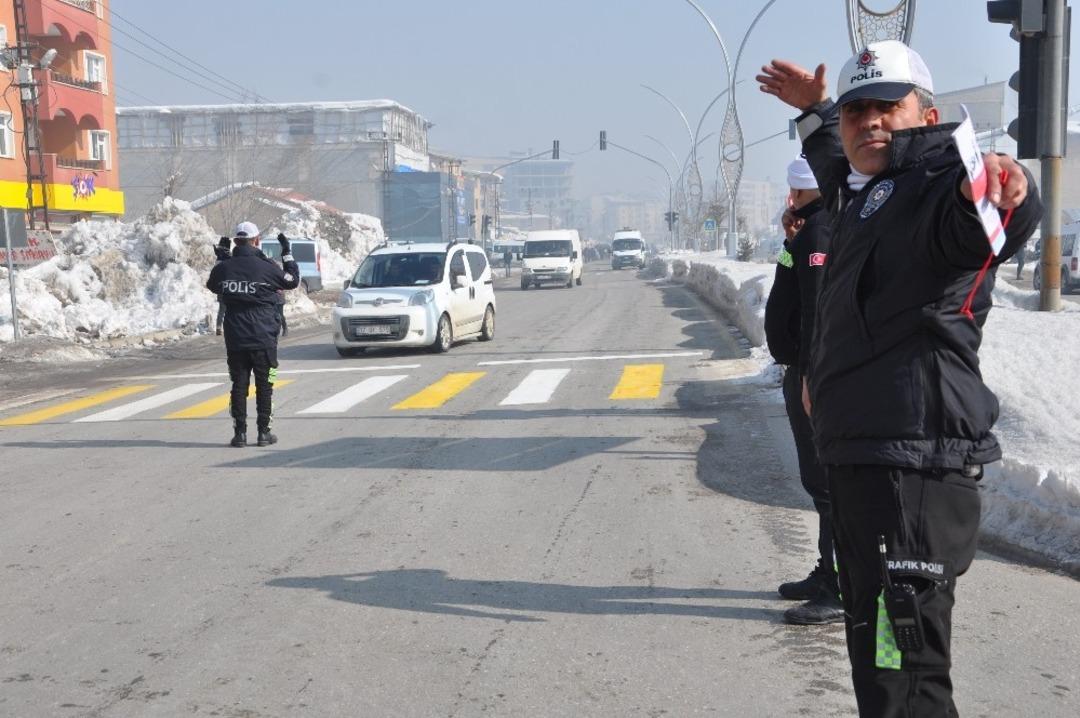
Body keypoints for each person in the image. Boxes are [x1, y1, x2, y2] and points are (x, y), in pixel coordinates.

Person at [758, 40, 1042, 716]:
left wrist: (1010, 188)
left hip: (911, 476)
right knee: (878, 659)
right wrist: (818, 110)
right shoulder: (863, 193)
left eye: (888, 106)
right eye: (858, 110)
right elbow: (837, 159)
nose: (868, 121)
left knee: (906, 671)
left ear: (927, 114)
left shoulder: (937, 188)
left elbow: (990, 213)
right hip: (865, 465)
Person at [764, 155, 842, 626]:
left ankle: (838, 586)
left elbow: (816, 310)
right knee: (819, 485)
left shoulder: (819, 231)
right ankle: (826, 571)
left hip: (814, 374)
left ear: (798, 190)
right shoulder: (805, 231)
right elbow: (789, 280)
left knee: (829, 487)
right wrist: (787, 241)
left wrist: (811, 375)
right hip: (803, 370)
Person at [206, 222, 300, 448]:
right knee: (266, 384)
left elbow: (213, 284)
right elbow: (292, 280)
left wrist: (222, 258)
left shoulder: (225, 268)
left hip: (235, 338)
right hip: (265, 338)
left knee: (238, 385)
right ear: (256, 241)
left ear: (236, 242)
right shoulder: (266, 268)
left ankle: (239, 434)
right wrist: (286, 253)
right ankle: (263, 433)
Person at [213, 237, 231, 336]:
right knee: (229, 310)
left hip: (221, 289)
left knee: (222, 309)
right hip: (229, 288)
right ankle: (227, 327)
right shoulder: (229, 258)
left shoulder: (218, 260)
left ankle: (219, 327)